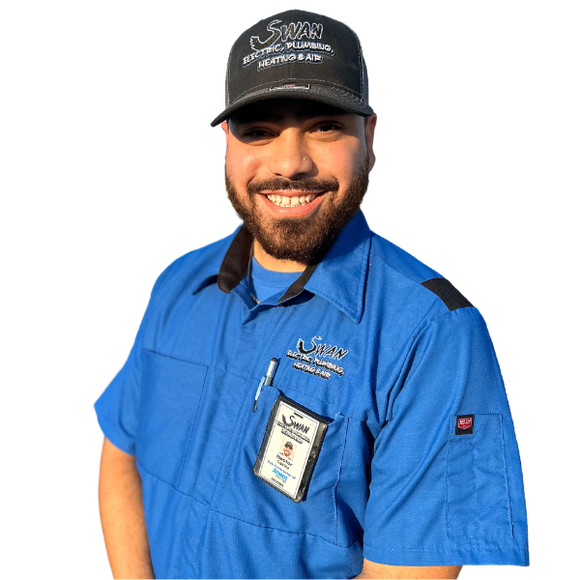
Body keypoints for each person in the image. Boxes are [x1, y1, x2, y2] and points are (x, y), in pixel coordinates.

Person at [93, 8, 530, 579]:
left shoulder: (431, 330)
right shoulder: (178, 283)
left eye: (324, 126)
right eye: (259, 129)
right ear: (226, 145)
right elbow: (121, 452)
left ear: (370, 139)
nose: (290, 163)